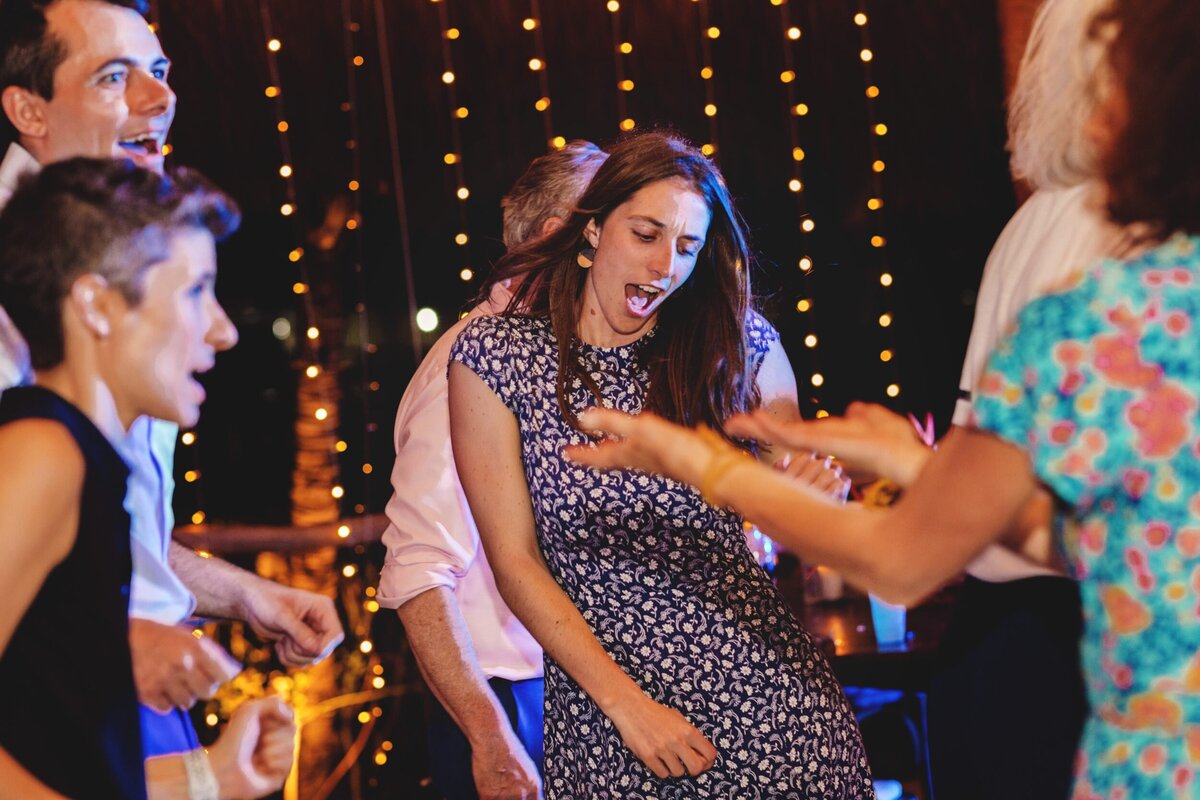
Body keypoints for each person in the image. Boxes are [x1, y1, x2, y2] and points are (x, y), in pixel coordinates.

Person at [568, 1, 1200, 794]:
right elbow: (1116, 541)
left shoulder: (1093, 314)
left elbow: (903, 562)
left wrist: (692, 459)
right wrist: (921, 468)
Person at [448, 132, 872, 799]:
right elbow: (514, 560)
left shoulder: (737, 345)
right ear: (591, 234)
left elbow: (794, 472)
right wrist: (628, 707)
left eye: (687, 247)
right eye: (646, 234)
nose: (664, 265)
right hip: (609, 724)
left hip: (775, 715)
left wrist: (816, 487)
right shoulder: (496, 357)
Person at [0, 0, 343, 765]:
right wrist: (114, 637)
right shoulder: (40, 418)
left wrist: (244, 595)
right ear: (28, 108)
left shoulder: (127, 240)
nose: (160, 99)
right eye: (114, 77)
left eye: (159, 72)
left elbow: (96, 534)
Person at [0, 158, 294, 798]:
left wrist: (212, 777)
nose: (223, 330)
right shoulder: (41, 454)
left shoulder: (83, 462)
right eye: (195, 292)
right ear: (97, 306)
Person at [378, 140, 606, 800]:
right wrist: (491, 737)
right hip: (510, 702)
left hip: (574, 690)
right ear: (558, 235)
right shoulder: (471, 367)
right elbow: (418, 569)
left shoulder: (565, 359)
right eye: (618, 223)